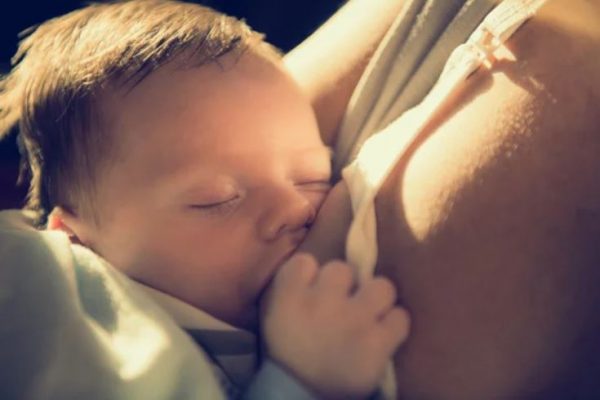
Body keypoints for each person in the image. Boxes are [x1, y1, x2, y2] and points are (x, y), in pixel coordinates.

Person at [0, 1, 409, 399]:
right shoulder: (65, 307)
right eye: (217, 199)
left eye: (312, 177)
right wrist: (302, 381)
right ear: (78, 239)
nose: (295, 208)